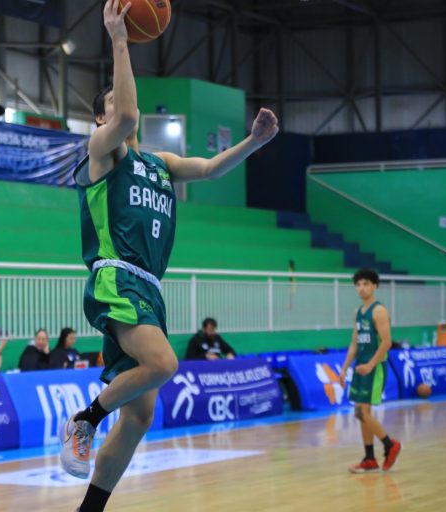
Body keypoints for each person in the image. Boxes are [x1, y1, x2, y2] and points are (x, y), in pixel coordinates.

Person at [59, 2, 279, 510]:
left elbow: (211, 169)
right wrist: (119, 38)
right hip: (116, 277)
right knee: (163, 362)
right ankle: (85, 419)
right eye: (114, 100)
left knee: (139, 417)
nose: (126, 105)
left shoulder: (159, 163)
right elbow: (127, 115)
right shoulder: (103, 151)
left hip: (150, 289)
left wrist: (254, 141)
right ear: (100, 117)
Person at [338, 269, 402, 474]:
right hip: (361, 367)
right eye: (358, 284)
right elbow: (354, 343)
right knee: (361, 414)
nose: (361, 288)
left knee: (362, 412)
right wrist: (344, 368)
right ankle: (369, 459)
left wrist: (371, 364)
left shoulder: (379, 311)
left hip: (374, 368)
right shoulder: (358, 312)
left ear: (375, 286)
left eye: (366, 284)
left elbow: (387, 342)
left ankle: (390, 444)